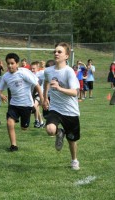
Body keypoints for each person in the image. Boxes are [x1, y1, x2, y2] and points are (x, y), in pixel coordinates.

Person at [42, 42, 81, 170]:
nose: (56, 53)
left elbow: (75, 92)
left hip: (70, 111)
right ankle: (59, 132)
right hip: (55, 109)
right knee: (50, 130)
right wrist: (45, 97)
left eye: (59, 52)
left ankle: (74, 160)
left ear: (66, 56)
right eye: (55, 51)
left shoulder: (69, 72)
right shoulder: (48, 70)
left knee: (72, 140)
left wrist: (59, 88)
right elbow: (46, 81)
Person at [0, 53, 43, 152]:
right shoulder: (5, 76)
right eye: (8, 63)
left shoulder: (24, 73)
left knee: (24, 128)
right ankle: (13, 145)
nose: (10, 66)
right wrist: (1, 95)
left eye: (12, 63)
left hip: (26, 105)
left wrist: (42, 99)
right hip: (13, 104)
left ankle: (32, 110)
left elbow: (37, 85)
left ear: (17, 64)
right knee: (10, 123)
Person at [30, 61, 44, 128]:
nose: (32, 70)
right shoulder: (30, 74)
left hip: (40, 93)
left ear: (38, 68)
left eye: (34, 68)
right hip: (33, 93)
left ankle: (36, 121)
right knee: (36, 108)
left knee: (35, 105)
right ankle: (41, 122)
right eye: (31, 68)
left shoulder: (41, 73)